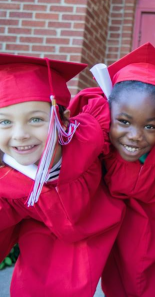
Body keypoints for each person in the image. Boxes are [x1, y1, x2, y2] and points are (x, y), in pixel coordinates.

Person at [68, 42, 155, 297]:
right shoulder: (98, 148)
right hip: (115, 245)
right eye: (123, 121)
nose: (134, 136)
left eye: (149, 126)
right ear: (107, 114)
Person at [0, 53, 125, 296]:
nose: (20, 134)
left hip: (105, 234)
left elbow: (106, 103)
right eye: (4, 122)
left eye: (36, 119)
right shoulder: (7, 183)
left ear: (63, 120)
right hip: (43, 248)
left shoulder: (90, 139)